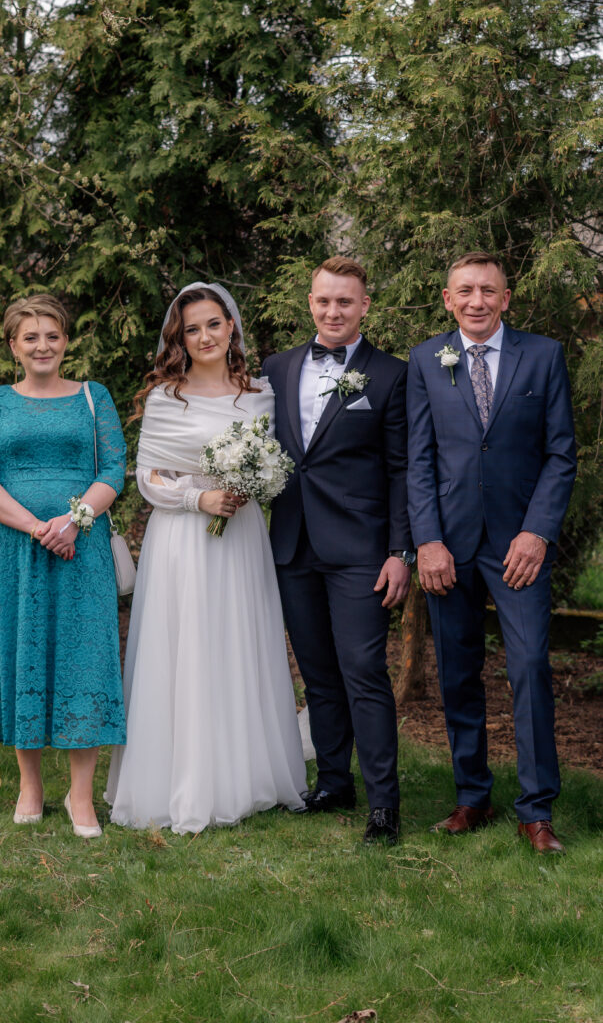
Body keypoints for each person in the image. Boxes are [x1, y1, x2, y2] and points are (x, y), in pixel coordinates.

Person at [105, 282, 306, 834]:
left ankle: (245, 775)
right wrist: (199, 499)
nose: (205, 336)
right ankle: (181, 778)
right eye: (192, 329)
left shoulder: (261, 394)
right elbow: (149, 476)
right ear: (180, 339)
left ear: (231, 326)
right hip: (183, 539)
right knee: (186, 645)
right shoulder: (167, 398)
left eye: (213, 324)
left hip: (241, 537)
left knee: (238, 641)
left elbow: (275, 462)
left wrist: (251, 485)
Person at [406, 251, 577, 853]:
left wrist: (537, 533)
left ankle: (537, 809)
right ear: (448, 300)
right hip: (448, 547)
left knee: (528, 666)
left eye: (488, 290)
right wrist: (427, 541)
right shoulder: (426, 359)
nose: (476, 301)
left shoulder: (544, 355)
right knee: (458, 672)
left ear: (506, 298)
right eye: (465, 291)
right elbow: (418, 460)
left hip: (518, 546)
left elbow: (561, 453)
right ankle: (472, 796)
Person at [0, 294, 126, 839]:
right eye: (30, 337)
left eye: (52, 335)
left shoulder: (93, 396)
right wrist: (38, 528)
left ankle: (81, 794)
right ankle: (29, 784)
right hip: (12, 551)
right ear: (13, 345)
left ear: (66, 341)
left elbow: (114, 469)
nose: (42, 346)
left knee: (85, 658)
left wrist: (74, 521)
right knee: (21, 654)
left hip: (82, 549)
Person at [262, 256, 414, 846]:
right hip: (292, 543)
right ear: (310, 302)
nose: (333, 311)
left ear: (364, 307)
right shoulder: (277, 367)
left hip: (360, 548)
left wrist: (399, 551)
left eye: (345, 302)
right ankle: (333, 783)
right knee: (318, 672)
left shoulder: (392, 375)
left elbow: (401, 470)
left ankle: (384, 805)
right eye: (324, 301)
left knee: (363, 671)